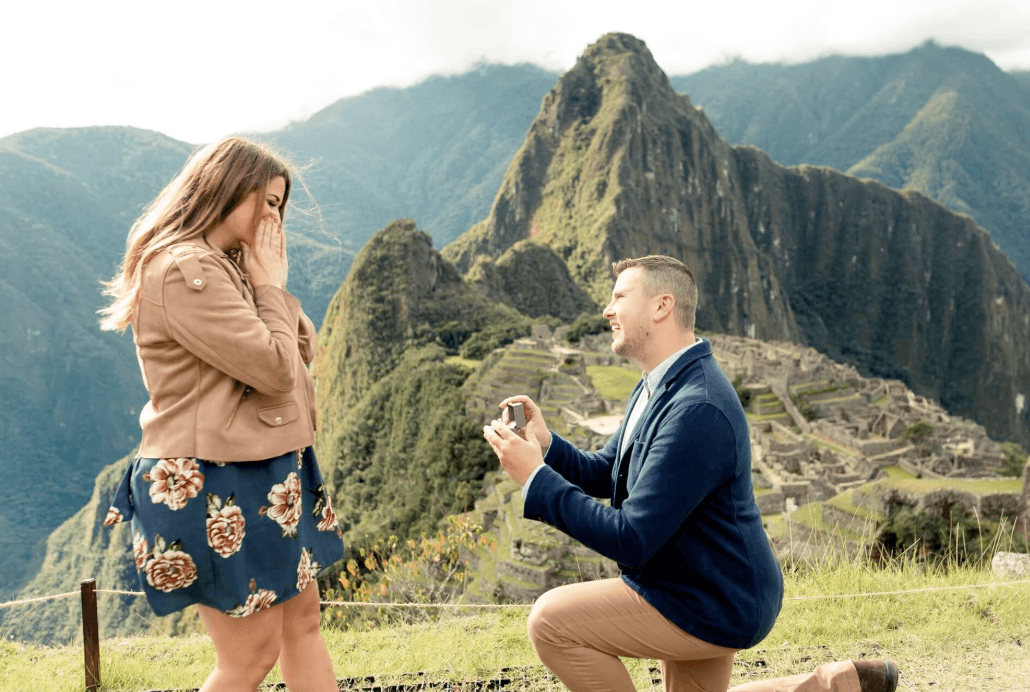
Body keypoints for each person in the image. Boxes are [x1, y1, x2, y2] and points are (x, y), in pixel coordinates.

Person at [482, 255, 899, 692]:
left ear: (662, 306)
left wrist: (535, 480)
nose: (607, 309)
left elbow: (631, 539)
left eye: (619, 296)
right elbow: (609, 471)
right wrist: (548, 449)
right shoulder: (659, 384)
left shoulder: (696, 406)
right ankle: (840, 684)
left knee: (550, 621)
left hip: (711, 598)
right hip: (702, 581)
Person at [99, 136, 344, 692]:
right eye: (268, 201)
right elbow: (278, 371)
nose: (274, 218)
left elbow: (298, 345)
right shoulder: (187, 270)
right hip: (214, 480)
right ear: (225, 189)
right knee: (249, 657)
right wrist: (268, 286)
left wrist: (263, 285)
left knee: (303, 624)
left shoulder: (225, 266)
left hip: (266, 468)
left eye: (280, 205)